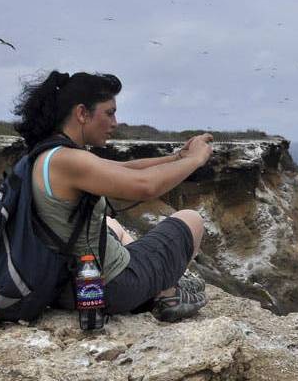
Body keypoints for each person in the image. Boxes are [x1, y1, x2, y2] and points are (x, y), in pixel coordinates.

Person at [12, 70, 212, 322]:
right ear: (82, 113)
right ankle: (166, 293)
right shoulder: (69, 160)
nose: (115, 123)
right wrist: (196, 159)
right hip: (106, 288)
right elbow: (145, 186)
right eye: (109, 113)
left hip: (61, 284)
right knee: (191, 219)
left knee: (112, 224)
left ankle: (161, 288)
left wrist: (176, 159)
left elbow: (124, 169)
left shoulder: (46, 154)